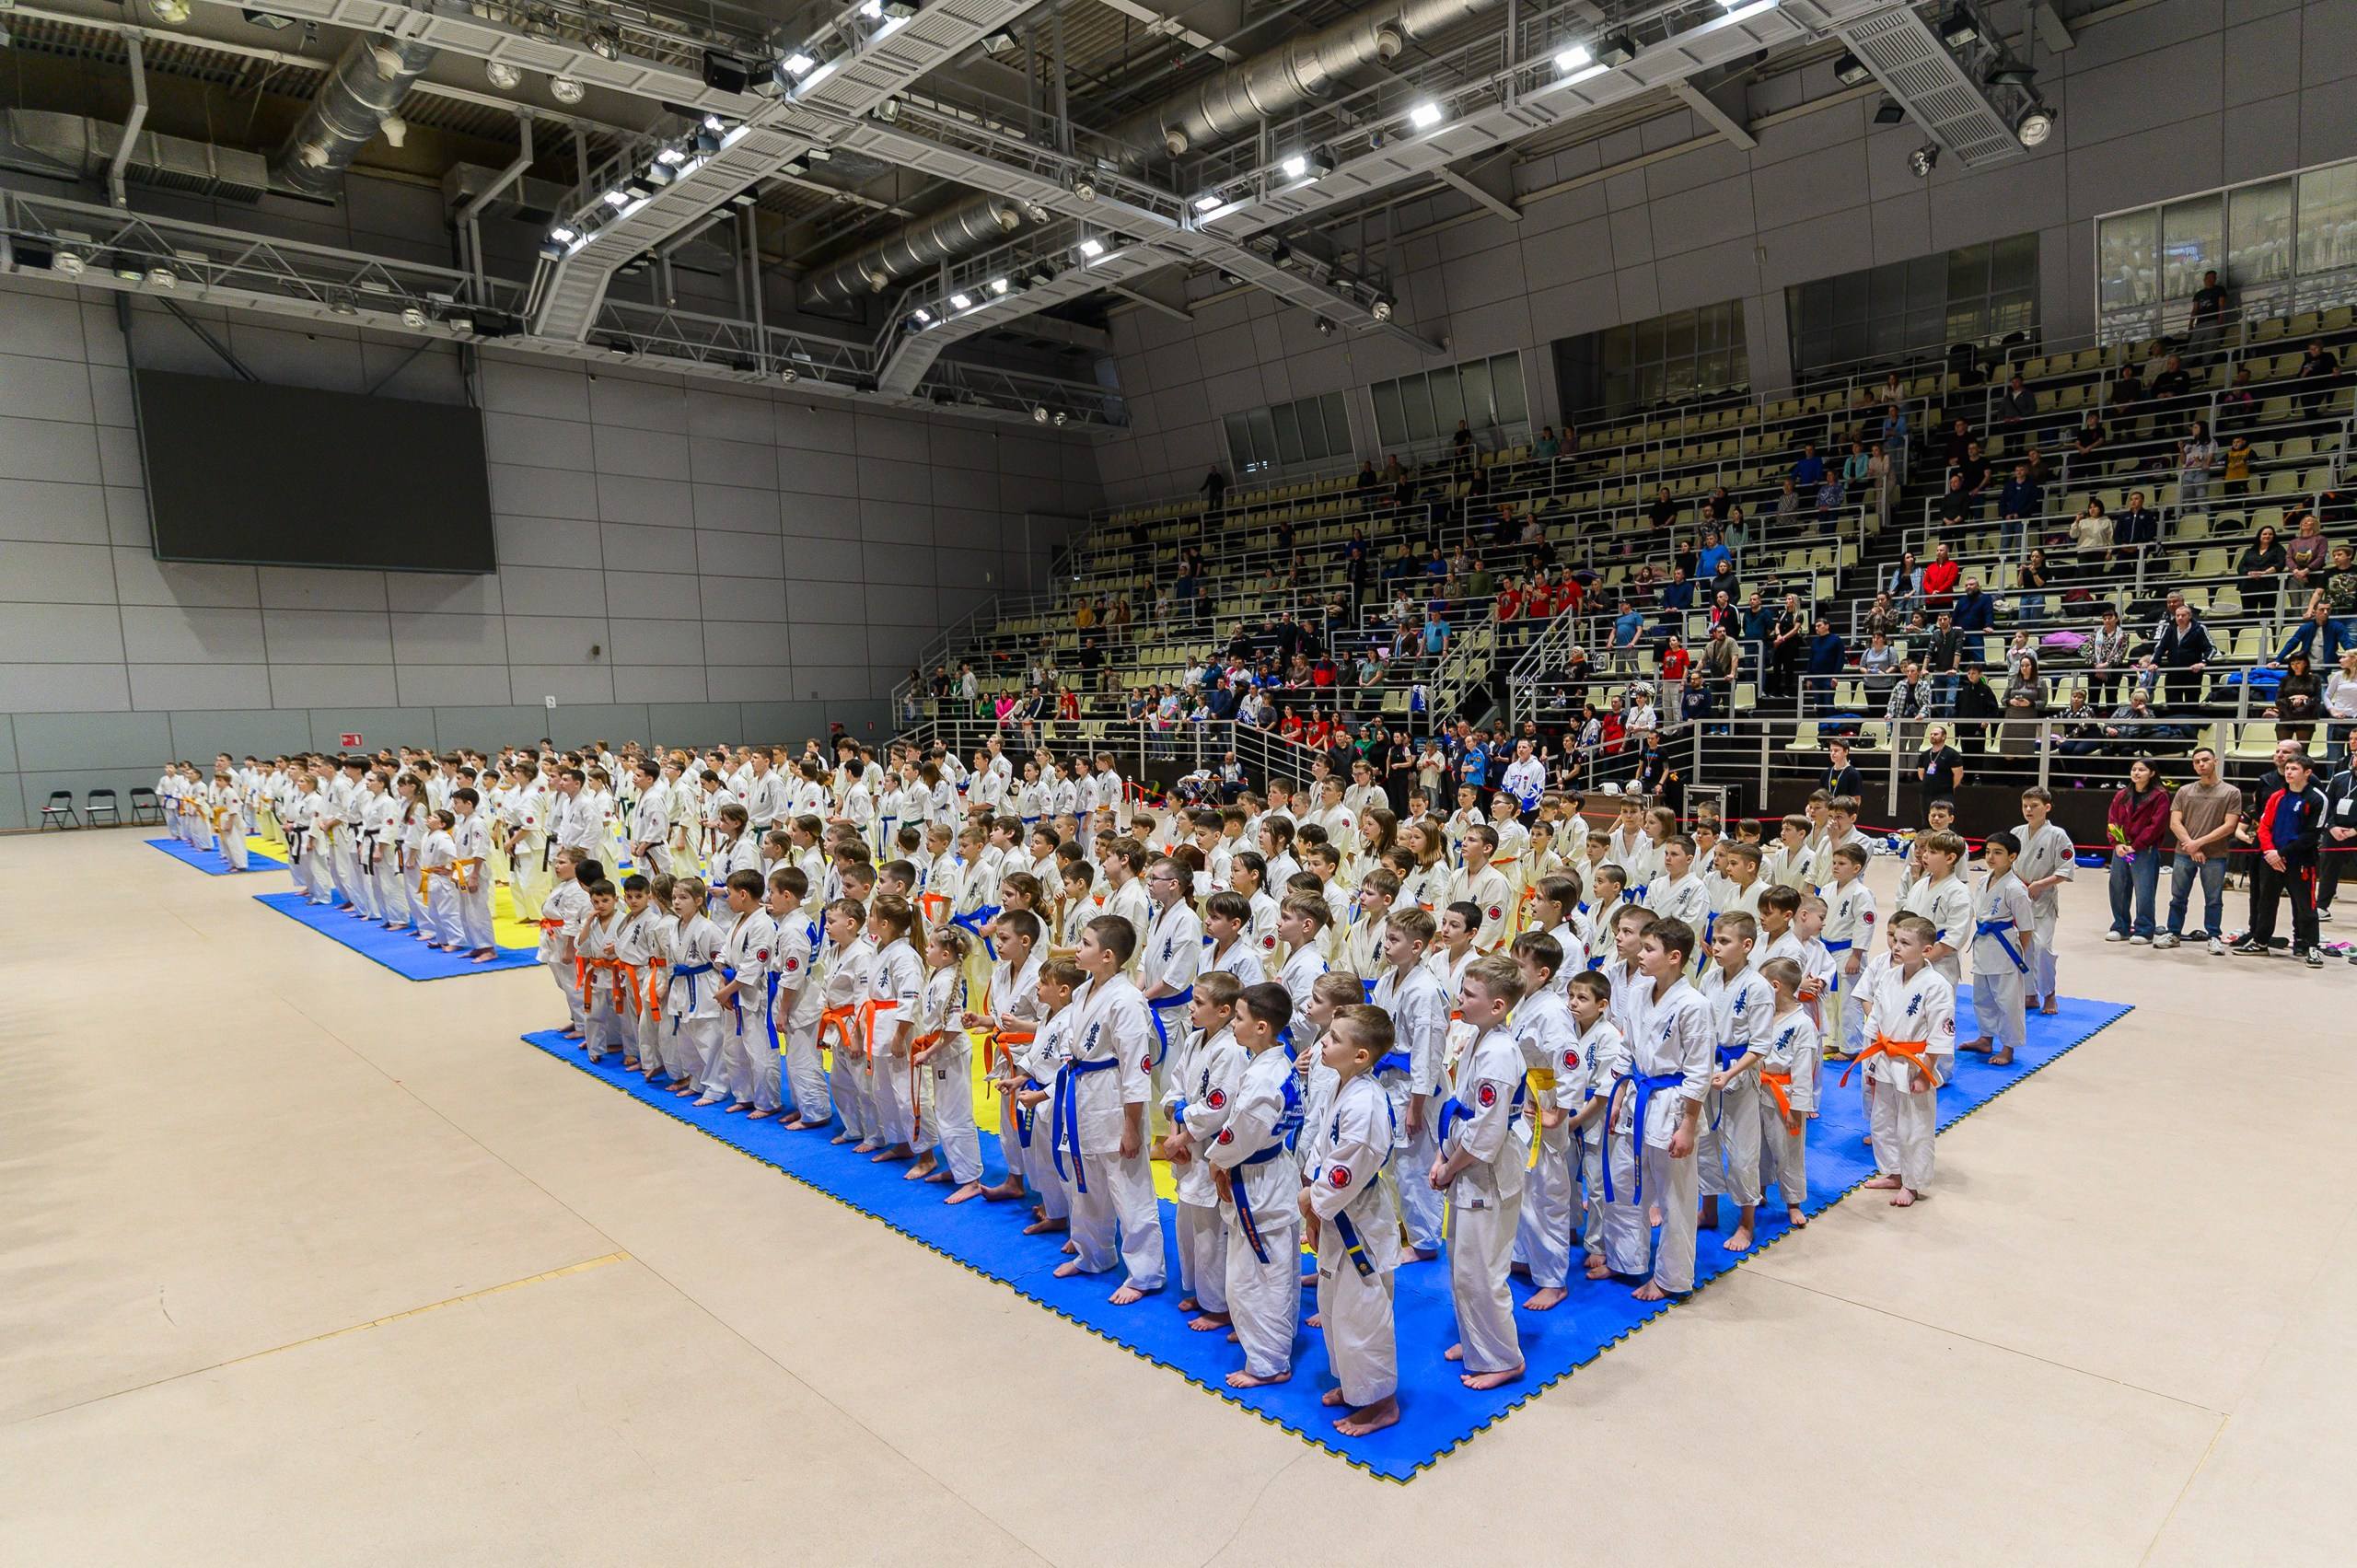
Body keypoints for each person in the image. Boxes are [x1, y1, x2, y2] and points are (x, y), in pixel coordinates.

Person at [1298, 1004, 1404, 1435]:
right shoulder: (1343, 1088)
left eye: (1334, 1038)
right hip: (1336, 1214)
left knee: (1362, 1314)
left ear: (1361, 1056)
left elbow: (1347, 1169)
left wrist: (1311, 1199)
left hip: (1356, 1220)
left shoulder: (1366, 1103)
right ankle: (1354, 1384)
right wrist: (1313, 1196)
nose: (1323, 1041)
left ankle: (1380, 1403)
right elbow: (1326, 1151)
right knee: (1334, 1306)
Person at [1051, 916, 1167, 1304]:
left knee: (1130, 1191)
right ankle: (1092, 1254)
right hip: (1082, 1095)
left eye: (1083, 943)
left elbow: (1136, 1068)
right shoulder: (1083, 991)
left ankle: (1146, 1273)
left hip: (1116, 1102)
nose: (1076, 948)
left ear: (1106, 956)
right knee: (1086, 1183)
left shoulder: (1127, 1001)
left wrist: (1133, 1126)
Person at [1429, 955, 1527, 1386]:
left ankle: (1503, 1358)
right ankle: (1477, 1342)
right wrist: (1441, 1154)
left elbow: (1485, 1133)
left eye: (1470, 994)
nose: (1460, 999)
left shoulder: (1500, 1054)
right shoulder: (1478, 1038)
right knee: (1464, 1266)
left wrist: (1449, 1166)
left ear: (1498, 1006)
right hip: (1466, 1163)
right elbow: (1461, 1111)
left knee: (1483, 1271)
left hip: (1485, 1174)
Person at [1851, 913, 1955, 1206]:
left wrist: (1926, 1072)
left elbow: (1940, 1033)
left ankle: (1912, 1183)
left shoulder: (1937, 985)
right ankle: (1893, 1172)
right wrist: (1869, 1061)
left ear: (1926, 950)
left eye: (1905, 943)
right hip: (1884, 1057)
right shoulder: (1888, 975)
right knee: (1882, 1121)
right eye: (1896, 940)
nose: (1896, 947)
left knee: (1914, 1125)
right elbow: (1876, 1021)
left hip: (1913, 1062)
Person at [2235, 751, 2327, 965]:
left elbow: (2312, 835)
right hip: (2272, 860)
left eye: (2294, 769)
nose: (2289, 772)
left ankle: (2311, 946)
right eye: (2287, 769)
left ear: (2307, 773)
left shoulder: (2316, 798)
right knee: (2266, 902)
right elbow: (2264, 826)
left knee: (2306, 906)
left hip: (2300, 862)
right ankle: (2260, 941)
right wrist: (2269, 852)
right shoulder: (2277, 796)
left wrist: (2282, 854)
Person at [1960, 831, 2034, 1068]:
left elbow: (2026, 928)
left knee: (2008, 1000)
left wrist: (2017, 955)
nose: (1990, 857)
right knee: (1982, 997)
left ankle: (2008, 1048)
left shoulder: (2015, 888)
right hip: (1984, 945)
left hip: (2005, 948)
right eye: (1988, 851)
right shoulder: (1984, 880)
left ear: (2012, 857)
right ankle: (1985, 1038)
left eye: (1998, 852)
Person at [2159, 745, 2242, 955]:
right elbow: (2175, 822)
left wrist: (2199, 843)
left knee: (2214, 899)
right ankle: (2173, 932)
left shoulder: (2231, 792)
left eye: (2205, 760)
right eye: (2196, 762)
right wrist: (2191, 845)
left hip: (2215, 856)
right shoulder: (2184, 791)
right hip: (2184, 853)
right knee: (2178, 897)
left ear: (2215, 762)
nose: (2201, 764)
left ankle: (2214, 936)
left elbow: (2229, 826)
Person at [2104, 758, 2170, 944]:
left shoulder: (2160, 796)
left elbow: (2156, 825)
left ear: (2152, 773)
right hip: (2122, 850)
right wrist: (2117, 843)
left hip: (2144, 850)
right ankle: (2120, 926)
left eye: (2142, 769)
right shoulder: (2122, 795)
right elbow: (2112, 821)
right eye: (2134, 769)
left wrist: (2136, 845)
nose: (2136, 773)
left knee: (2144, 891)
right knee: (2118, 888)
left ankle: (2144, 929)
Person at [1915, 724, 1963, 825]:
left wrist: (1948, 787)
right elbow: (1921, 773)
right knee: (1926, 821)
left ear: (1944, 736)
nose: (1932, 736)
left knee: (1944, 821)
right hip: (1926, 793)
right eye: (1931, 734)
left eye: (1936, 734)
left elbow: (1958, 775)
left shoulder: (1952, 754)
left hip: (1944, 793)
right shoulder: (1924, 755)